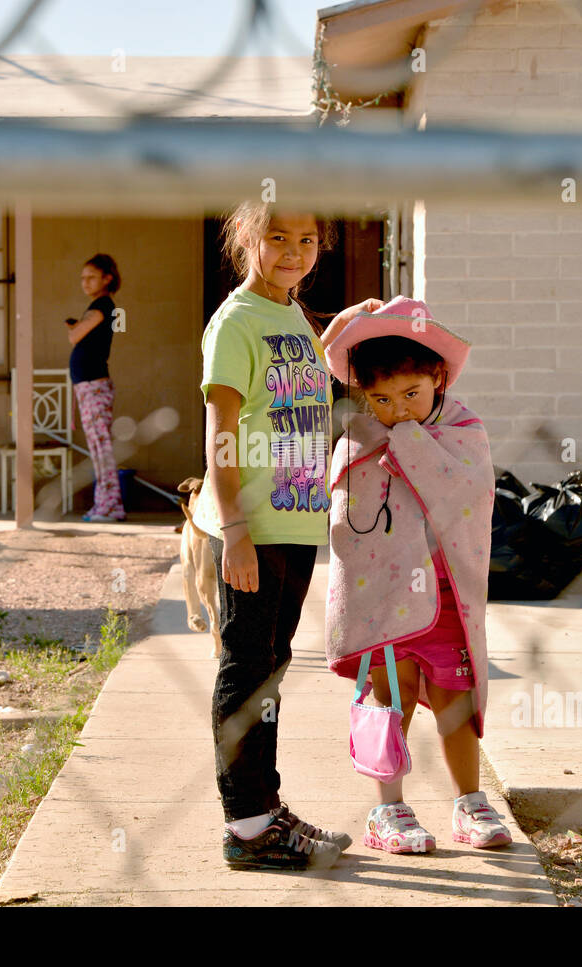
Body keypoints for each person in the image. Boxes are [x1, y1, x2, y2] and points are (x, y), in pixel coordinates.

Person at [192, 201, 383, 870]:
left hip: (297, 518)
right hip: (254, 524)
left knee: (270, 669)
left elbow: (302, 378)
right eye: (279, 239)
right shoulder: (236, 323)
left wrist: (348, 325)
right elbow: (220, 433)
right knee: (246, 670)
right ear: (248, 240)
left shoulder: (290, 313)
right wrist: (236, 529)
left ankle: (265, 808)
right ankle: (245, 827)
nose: (295, 252)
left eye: (307, 240)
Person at [322, 297, 512, 854]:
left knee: (456, 699)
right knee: (392, 701)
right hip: (384, 604)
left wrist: (409, 444)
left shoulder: (464, 431)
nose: (398, 410)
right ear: (363, 396)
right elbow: (346, 529)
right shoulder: (356, 440)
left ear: (438, 376)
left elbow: (468, 498)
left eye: (411, 394)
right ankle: (388, 811)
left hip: (447, 599)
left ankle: (469, 804)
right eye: (380, 400)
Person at [68, 253, 126, 523]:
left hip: (95, 386)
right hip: (87, 386)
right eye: (82, 278)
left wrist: (76, 326)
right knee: (97, 448)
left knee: (101, 448)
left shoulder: (102, 305)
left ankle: (111, 506)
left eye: (91, 277)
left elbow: (75, 335)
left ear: (107, 278)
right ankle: (103, 504)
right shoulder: (97, 306)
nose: (85, 283)